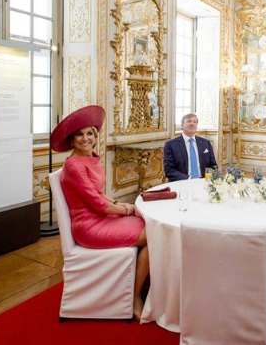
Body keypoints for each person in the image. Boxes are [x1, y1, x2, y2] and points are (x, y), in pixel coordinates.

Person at [50, 105, 149, 320]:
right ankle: (134, 298)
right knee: (153, 235)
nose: (85, 138)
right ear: (72, 140)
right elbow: (96, 203)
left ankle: (145, 286)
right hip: (89, 227)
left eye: (89, 133)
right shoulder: (74, 166)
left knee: (149, 226)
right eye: (79, 134)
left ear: (95, 137)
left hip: (101, 218)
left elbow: (98, 194)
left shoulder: (91, 158)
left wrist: (117, 202)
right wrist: (123, 209)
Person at [164, 113, 218, 181]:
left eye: (195, 122)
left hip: (203, 182)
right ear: (182, 125)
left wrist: (207, 180)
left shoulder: (205, 143)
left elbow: (213, 166)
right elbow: (169, 170)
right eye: (189, 121)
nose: (192, 124)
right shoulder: (171, 145)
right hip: (183, 182)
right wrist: (189, 179)